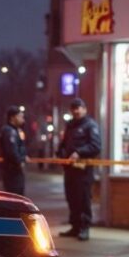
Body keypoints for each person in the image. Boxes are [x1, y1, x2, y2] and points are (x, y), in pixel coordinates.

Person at [56, 98, 102, 241]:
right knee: (71, 198)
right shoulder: (70, 125)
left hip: (83, 170)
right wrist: (60, 154)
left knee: (83, 199)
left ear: (84, 109)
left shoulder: (90, 125)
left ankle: (84, 227)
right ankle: (75, 226)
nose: (76, 111)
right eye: (73, 108)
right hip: (70, 169)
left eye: (78, 108)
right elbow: (64, 144)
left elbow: (96, 146)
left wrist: (79, 152)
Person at [0, 105, 28, 196]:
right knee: (15, 197)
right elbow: (11, 150)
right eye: (20, 116)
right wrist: (19, 162)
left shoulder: (16, 130)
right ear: (12, 117)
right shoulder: (9, 131)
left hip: (15, 170)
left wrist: (23, 156)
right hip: (12, 171)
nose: (22, 119)